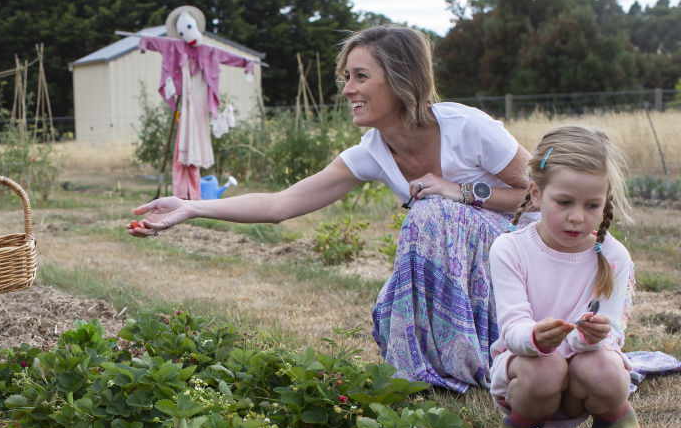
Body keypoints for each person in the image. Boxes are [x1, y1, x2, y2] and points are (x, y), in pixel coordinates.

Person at [130, 24, 531, 391]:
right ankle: (429, 371)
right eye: (346, 78)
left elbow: (545, 195)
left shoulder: (467, 127)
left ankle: (473, 356)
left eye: (361, 76)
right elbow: (279, 204)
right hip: (468, 265)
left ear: (401, 78)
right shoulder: (372, 152)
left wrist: (457, 192)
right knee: (399, 282)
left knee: (429, 213)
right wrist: (189, 206)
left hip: (520, 262)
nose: (347, 90)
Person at [485, 126, 665, 428]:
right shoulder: (510, 249)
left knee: (610, 371)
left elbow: (611, 336)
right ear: (536, 194)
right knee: (548, 368)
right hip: (530, 378)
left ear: (605, 201)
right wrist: (537, 338)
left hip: (586, 375)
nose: (578, 217)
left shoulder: (613, 257)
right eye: (564, 202)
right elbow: (512, 328)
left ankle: (617, 424)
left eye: (592, 204)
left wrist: (594, 336)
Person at [138, 5, 257, 199]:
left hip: (200, 104)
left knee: (196, 141)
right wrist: (146, 41)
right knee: (183, 143)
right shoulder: (175, 47)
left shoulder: (208, 52)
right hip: (186, 100)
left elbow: (229, 57)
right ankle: (183, 191)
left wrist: (246, 62)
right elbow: (157, 43)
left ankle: (193, 192)